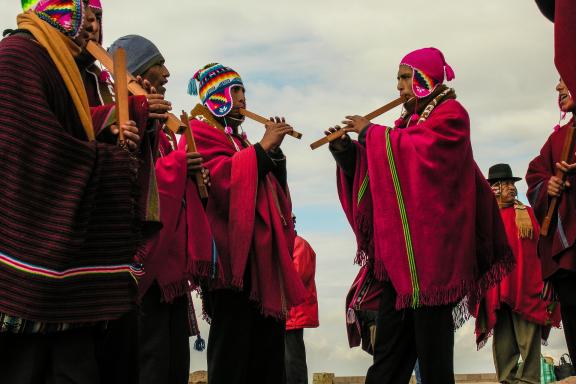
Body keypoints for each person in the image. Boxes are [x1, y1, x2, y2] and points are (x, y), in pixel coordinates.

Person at [328, 47, 513, 384]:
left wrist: (370, 132)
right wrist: (348, 153)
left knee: (433, 357)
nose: (398, 86)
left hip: (433, 263)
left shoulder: (452, 115)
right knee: (388, 357)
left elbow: (421, 151)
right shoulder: (405, 123)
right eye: (397, 78)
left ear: (425, 78)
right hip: (398, 265)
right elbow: (383, 166)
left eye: (404, 77)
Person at [0, 1, 153, 383]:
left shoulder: (72, 67)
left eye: (97, 15)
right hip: (27, 272)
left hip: (71, 272)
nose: (92, 24)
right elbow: (27, 150)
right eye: (82, 11)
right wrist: (110, 160)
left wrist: (126, 129)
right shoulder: (16, 56)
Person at [187, 63, 307, 384]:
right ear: (217, 96)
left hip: (260, 263)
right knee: (233, 352)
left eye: (243, 91)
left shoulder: (237, 140)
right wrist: (263, 147)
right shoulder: (198, 132)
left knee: (267, 354)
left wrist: (273, 154)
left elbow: (267, 187)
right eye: (236, 91)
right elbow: (219, 182)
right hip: (230, 266)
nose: (243, 99)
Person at [109, 35, 212, 384]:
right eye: (158, 63)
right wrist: (181, 165)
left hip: (170, 265)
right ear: (137, 70)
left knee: (172, 363)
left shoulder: (165, 130)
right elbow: (135, 178)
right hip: (141, 263)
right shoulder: (120, 114)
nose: (167, 72)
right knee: (150, 360)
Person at [476, 164, 560, 384]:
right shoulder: (485, 220)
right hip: (496, 290)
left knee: (528, 337)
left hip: (526, 286)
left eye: (511, 184)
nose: (509, 188)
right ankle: (507, 379)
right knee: (503, 341)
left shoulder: (527, 214)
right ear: (493, 187)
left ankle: (529, 380)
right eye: (503, 184)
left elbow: (540, 250)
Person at [527, 78, 576, 362]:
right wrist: (550, 185)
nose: (558, 88)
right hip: (569, 258)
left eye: (565, 81)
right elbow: (535, 175)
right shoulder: (558, 139)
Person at [285, 216, 319, 384]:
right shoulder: (292, 244)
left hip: (292, 315)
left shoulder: (299, 244)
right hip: (287, 314)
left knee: (293, 360)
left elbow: (297, 277)